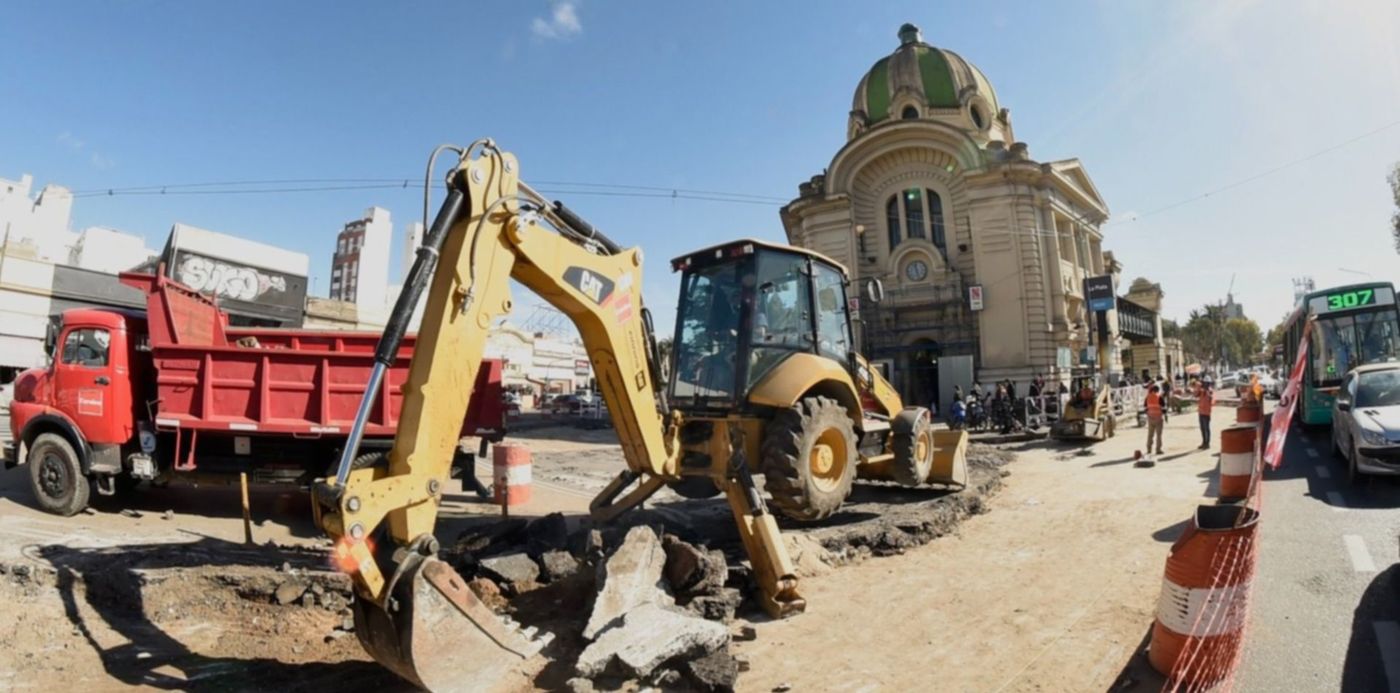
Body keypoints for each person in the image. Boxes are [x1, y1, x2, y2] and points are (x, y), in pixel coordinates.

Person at [1144, 383, 1164, 456]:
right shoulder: (1159, 397)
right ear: (1157, 390)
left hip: (1150, 418)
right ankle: (1158, 450)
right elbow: (1164, 408)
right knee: (1159, 435)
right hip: (1158, 418)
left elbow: (1145, 407)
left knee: (1150, 434)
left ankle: (1149, 449)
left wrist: (1149, 414)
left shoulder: (1147, 397)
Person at [1194, 379, 1214, 449]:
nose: (1204, 385)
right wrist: (1197, 387)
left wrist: (1206, 390)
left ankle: (1207, 443)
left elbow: (1211, 398)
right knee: (1202, 428)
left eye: (1205, 384)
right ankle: (1204, 442)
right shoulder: (1202, 392)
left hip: (1206, 413)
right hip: (1201, 412)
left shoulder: (1209, 391)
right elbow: (1195, 395)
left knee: (1206, 428)